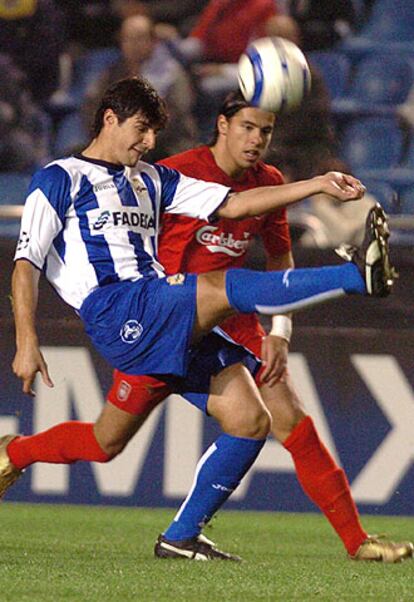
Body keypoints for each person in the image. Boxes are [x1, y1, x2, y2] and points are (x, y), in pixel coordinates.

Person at [5, 77, 398, 563]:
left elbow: (233, 204)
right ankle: (357, 275)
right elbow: (26, 263)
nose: (149, 142)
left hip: (162, 316)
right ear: (110, 119)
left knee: (244, 420)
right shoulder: (59, 178)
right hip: (117, 310)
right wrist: (27, 338)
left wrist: (316, 184)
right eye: (142, 130)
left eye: (153, 134)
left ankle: (175, 533)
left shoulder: (152, 178)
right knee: (218, 286)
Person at [83, 14, 197, 160]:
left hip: (166, 148)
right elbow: (92, 106)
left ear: (153, 41)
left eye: (140, 38)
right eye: (128, 38)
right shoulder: (112, 73)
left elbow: (173, 118)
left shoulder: (171, 74)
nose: (133, 44)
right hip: (116, 146)